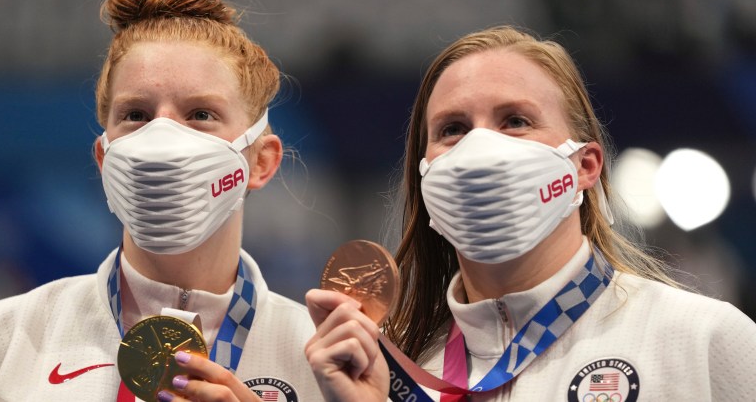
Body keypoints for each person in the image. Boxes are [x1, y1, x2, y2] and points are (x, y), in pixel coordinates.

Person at [304, 26, 756, 401]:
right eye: (453, 129)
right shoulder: (390, 373)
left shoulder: (700, 340)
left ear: (584, 167)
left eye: (515, 121)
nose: (479, 150)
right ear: (424, 177)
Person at [0, 0, 322, 401]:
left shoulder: (321, 360)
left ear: (261, 162)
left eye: (201, 114)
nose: (161, 139)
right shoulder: (4, 338)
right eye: (136, 115)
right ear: (104, 158)